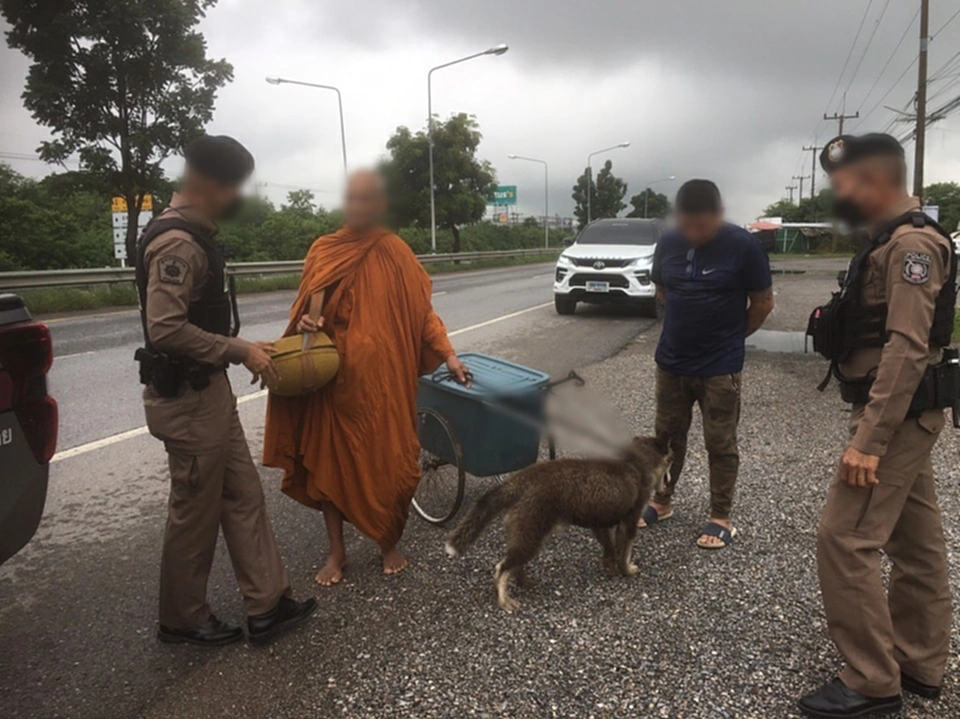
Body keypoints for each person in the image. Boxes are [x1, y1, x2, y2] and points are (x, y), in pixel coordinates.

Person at [798, 134, 957, 718]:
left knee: (844, 537)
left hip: (892, 415)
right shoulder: (890, 241)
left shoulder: (912, 245)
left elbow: (908, 349)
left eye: (843, 188)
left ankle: (870, 681)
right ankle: (919, 662)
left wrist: (869, 442)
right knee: (916, 544)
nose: (841, 200)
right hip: (907, 415)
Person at [136, 135, 316, 647]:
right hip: (187, 404)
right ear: (208, 184)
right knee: (195, 512)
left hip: (208, 396)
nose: (238, 197)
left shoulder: (196, 235)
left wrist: (239, 347)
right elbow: (165, 329)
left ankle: (268, 605)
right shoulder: (177, 243)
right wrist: (238, 350)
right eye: (234, 187)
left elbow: (196, 325)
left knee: (242, 496)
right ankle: (181, 618)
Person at [262, 169, 468, 586]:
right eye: (351, 199)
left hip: (385, 388)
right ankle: (336, 552)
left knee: (395, 465)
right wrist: (306, 322)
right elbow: (310, 313)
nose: (357, 207)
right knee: (328, 470)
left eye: (366, 200)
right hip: (334, 386)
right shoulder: (325, 250)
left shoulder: (396, 252)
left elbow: (423, 314)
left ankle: (388, 542)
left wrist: (448, 354)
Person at [638, 180, 774, 548]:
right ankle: (661, 501)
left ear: (719, 216)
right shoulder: (668, 240)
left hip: (719, 367)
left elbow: (763, 302)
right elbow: (662, 289)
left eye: (702, 226)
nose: (694, 234)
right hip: (672, 363)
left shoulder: (743, 246)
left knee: (720, 442)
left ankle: (720, 517)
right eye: (687, 225)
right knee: (666, 439)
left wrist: (730, 338)